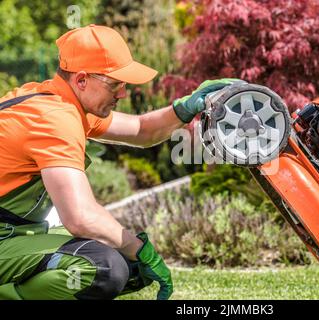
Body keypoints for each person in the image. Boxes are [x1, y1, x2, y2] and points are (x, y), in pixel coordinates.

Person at [0, 24, 236, 300]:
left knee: (124, 260)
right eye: (115, 84)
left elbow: (140, 130)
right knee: (105, 267)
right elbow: (80, 217)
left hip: (16, 235)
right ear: (82, 79)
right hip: (7, 239)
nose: (122, 93)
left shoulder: (58, 101)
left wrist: (186, 107)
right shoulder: (54, 118)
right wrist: (142, 250)